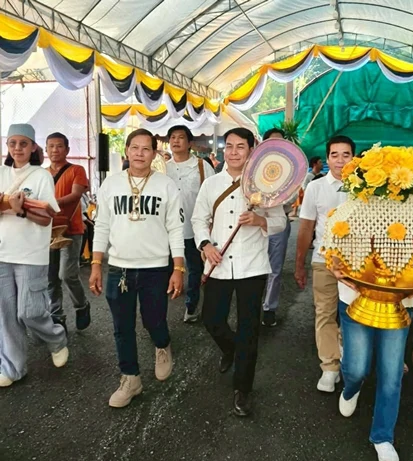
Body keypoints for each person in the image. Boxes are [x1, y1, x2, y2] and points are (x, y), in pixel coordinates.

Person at [192, 127, 286, 416]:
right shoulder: (211, 184)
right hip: (218, 263)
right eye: (229, 146)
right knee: (212, 319)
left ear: (251, 150)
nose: (233, 152)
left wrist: (260, 220)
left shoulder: (264, 184)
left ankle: (243, 389)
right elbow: (198, 219)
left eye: (240, 146)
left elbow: (281, 222)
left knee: (249, 329)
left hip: (252, 266)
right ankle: (230, 349)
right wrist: (205, 244)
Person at [89, 128, 185, 408]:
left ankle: (162, 345)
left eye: (146, 149)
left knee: (154, 321)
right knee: (122, 327)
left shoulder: (166, 186)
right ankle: (130, 378)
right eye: (135, 147)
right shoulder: (111, 185)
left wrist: (178, 268)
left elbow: (175, 229)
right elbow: (101, 226)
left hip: (156, 268)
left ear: (154, 154)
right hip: (119, 269)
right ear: (127, 150)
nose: (140, 153)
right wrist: (96, 264)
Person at [0, 124, 68, 386]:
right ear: (7, 145)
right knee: (6, 315)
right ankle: (12, 368)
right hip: (3, 252)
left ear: (33, 147)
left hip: (30, 254)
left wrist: (19, 210)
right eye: (12, 143)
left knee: (29, 311)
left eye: (23, 143)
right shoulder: (1, 173)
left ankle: (56, 338)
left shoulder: (41, 176)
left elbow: (46, 218)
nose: (17, 148)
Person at [333, 275, 413, 461]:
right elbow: (332, 256)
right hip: (355, 292)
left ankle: (383, 436)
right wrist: (334, 263)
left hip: (399, 296)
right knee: (356, 368)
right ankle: (351, 388)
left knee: (391, 373)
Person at [294, 135, 355, 392]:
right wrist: (299, 264)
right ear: (327, 158)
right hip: (323, 260)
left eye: (346, 155)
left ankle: (348, 358)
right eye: (334, 155)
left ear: (353, 157)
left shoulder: (365, 188)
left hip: (356, 264)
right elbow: (306, 227)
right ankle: (329, 367)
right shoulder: (316, 187)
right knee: (325, 313)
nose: (340, 160)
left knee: (352, 314)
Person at [166, 125, 214, 323]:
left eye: (181, 137)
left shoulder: (202, 166)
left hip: (194, 229)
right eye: (172, 137)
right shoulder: (162, 168)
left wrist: (210, 225)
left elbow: (213, 196)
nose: (176, 141)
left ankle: (191, 307)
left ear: (190, 143)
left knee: (195, 268)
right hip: (167, 230)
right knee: (165, 268)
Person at [46, 132, 91, 331]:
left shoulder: (77, 170)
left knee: (66, 274)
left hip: (71, 229)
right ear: (46, 149)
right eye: (51, 146)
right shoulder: (41, 174)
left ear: (67, 149)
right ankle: (57, 315)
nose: (55, 150)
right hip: (47, 231)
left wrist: (50, 204)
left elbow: (75, 195)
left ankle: (81, 305)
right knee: (50, 277)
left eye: (59, 146)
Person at [260, 127, 291, 327]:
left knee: (275, 269)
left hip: (279, 223)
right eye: (272, 142)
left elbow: (294, 197)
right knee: (252, 267)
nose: (277, 145)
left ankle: (269, 308)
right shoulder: (253, 165)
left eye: (281, 141)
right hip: (254, 223)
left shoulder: (290, 168)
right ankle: (251, 304)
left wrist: (279, 197)